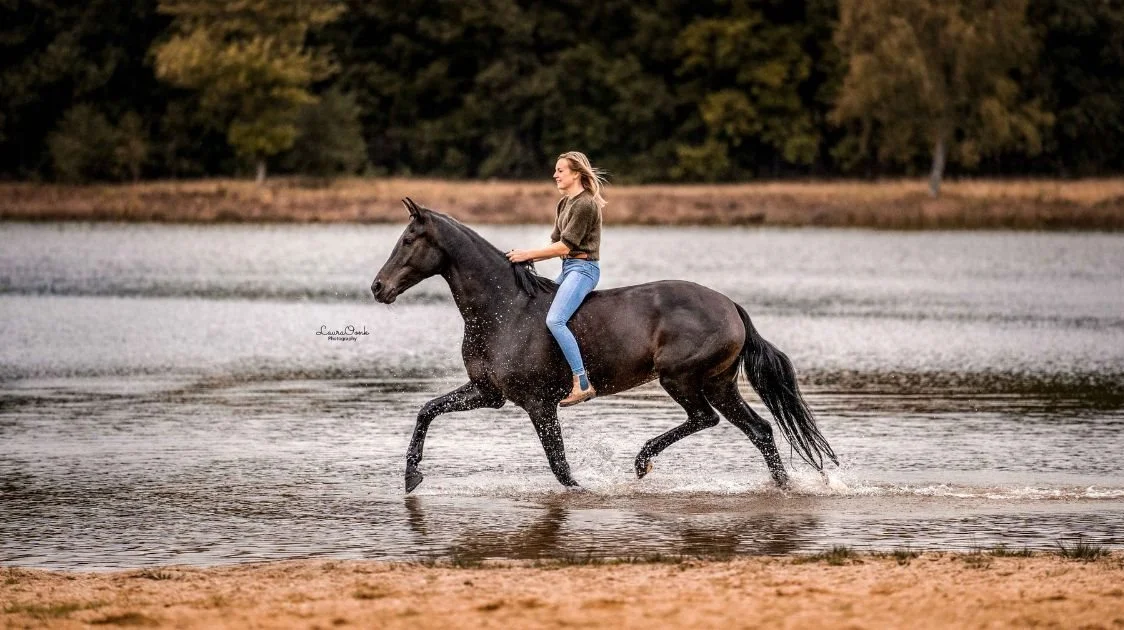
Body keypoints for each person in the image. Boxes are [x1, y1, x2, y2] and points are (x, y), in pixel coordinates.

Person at [506, 151, 606, 406]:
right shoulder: (564, 204)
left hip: (584, 270)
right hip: (568, 267)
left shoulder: (585, 204)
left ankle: (582, 382)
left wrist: (527, 254)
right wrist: (520, 260)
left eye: (560, 170)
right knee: (539, 313)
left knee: (555, 319)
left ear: (575, 173)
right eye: (556, 170)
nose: (555, 175)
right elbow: (555, 244)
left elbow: (564, 247)